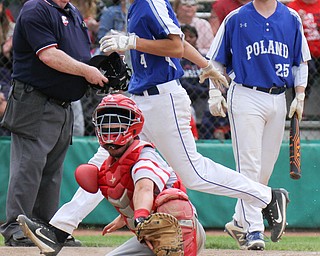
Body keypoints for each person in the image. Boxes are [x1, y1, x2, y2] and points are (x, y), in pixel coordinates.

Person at [16, 0, 289, 254]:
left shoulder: (150, 1)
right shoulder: (137, 5)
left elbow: (174, 47)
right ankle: (59, 229)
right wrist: (204, 64)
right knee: (104, 164)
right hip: (143, 97)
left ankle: (267, 197)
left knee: (194, 172)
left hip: (163, 100)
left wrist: (132, 41)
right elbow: (177, 43)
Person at [18, 94, 206, 255]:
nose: (111, 127)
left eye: (118, 122)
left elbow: (144, 188)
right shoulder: (110, 166)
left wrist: (139, 216)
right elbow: (130, 193)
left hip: (182, 231)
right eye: (106, 122)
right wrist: (126, 218)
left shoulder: (144, 156)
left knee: (172, 201)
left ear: (134, 126)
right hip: (150, 233)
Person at [0, 0, 108, 247]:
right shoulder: (36, 8)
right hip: (34, 99)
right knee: (29, 166)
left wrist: (98, 68)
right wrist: (86, 71)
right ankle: (16, 227)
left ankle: (47, 228)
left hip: (63, 103)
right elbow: (48, 55)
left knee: (52, 171)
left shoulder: (72, 12)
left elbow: (80, 56)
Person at [205, 0, 311, 250]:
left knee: (264, 169)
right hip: (245, 94)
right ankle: (254, 230)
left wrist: (300, 94)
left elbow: (301, 62)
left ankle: (239, 221)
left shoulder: (291, 17)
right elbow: (215, 59)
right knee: (249, 166)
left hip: (278, 97)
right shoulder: (236, 17)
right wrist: (213, 92)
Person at [286, 0, 320, 100]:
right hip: (304, 52)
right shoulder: (293, 7)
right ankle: (301, 100)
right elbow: (287, 32)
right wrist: (297, 21)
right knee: (309, 70)